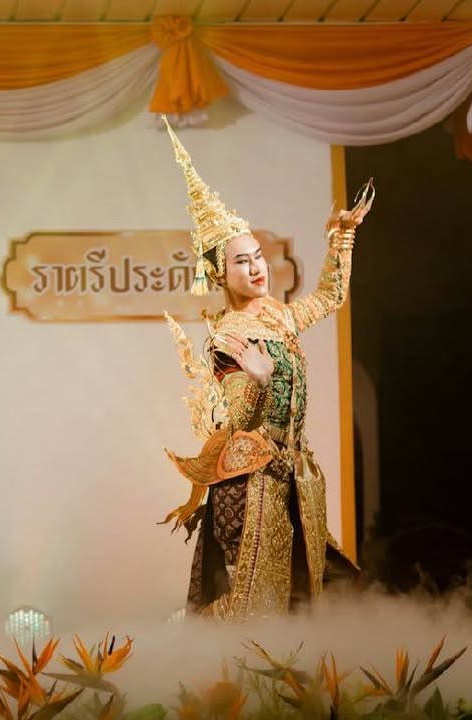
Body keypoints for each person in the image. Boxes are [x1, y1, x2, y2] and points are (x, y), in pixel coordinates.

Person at [159, 118, 367, 620]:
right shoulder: (227, 337)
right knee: (254, 606)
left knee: (305, 599)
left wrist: (341, 237)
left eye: (257, 256)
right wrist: (257, 381)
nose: (256, 268)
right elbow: (238, 422)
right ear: (218, 272)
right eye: (241, 262)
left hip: (293, 475)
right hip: (250, 483)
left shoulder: (277, 316)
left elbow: (330, 297)